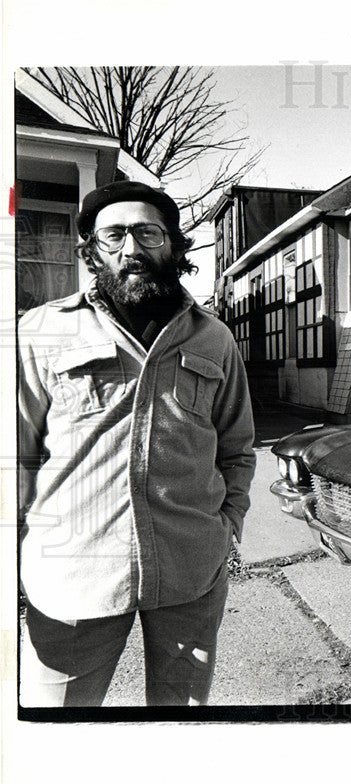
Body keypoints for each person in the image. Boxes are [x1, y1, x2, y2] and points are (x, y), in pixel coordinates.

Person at [17, 181, 256, 706]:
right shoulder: (40, 332)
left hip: (190, 578)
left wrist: (226, 529)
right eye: (114, 235)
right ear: (91, 250)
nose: (132, 249)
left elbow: (237, 448)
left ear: (172, 244)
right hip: (72, 582)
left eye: (148, 233)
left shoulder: (213, 338)